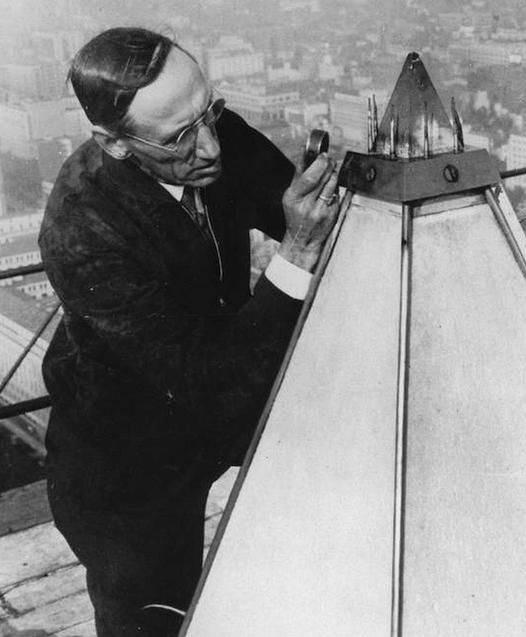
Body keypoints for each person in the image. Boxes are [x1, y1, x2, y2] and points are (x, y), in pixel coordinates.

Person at [39, 28, 340, 636]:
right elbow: (204, 379)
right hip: (128, 471)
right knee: (157, 615)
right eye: (179, 137)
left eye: (211, 113)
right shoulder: (82, 229)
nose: (210, 147)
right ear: (115, 144)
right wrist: (300, 248)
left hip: (214, 407)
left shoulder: (203, 130)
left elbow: (288, 207)